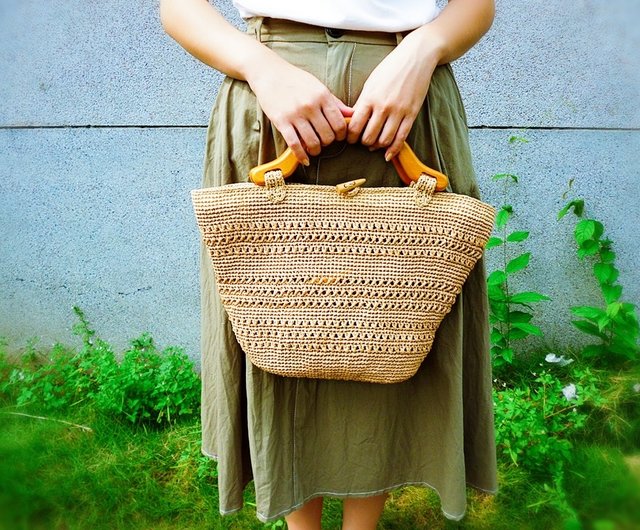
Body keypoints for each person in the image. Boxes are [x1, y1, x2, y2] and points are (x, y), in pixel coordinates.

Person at [160, 1, 498, 528]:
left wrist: (422, 50)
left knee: (394, 321)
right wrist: (262, 67)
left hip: (402, 102)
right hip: (270, 103)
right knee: (279, 322)